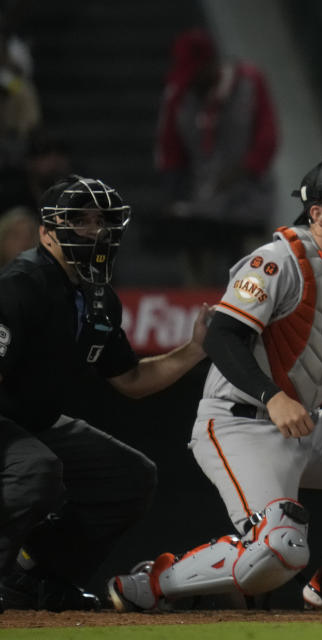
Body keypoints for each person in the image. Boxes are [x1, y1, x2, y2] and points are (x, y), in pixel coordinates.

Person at [107, 155, 322, 614]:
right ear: (317, 212)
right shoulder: (277, 260)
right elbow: (221, 335)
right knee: (280, 549)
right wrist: (272, 398)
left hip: (302, 424)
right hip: (239, 422)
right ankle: (154, 584)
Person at [0, 175, 210, 611]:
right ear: (46, 232)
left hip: (34, 422)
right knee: (36, 469)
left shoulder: (98, 298)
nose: (94, 231)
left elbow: (130, 379)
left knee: (129, 476)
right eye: (79, 220)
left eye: (103, 220)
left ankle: (38, 577)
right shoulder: (19, 286)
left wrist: (195, 350)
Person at [155, 28, 278, 287]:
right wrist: (174, 196)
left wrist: (244, 171)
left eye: (196, 73)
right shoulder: (179, 93)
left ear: (211, 64)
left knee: (255, 280)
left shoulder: (249, 82)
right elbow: (170, 151)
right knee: (200, 282)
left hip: (249, 204)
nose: (191, 81)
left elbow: (268, 139)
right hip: (201, 206)